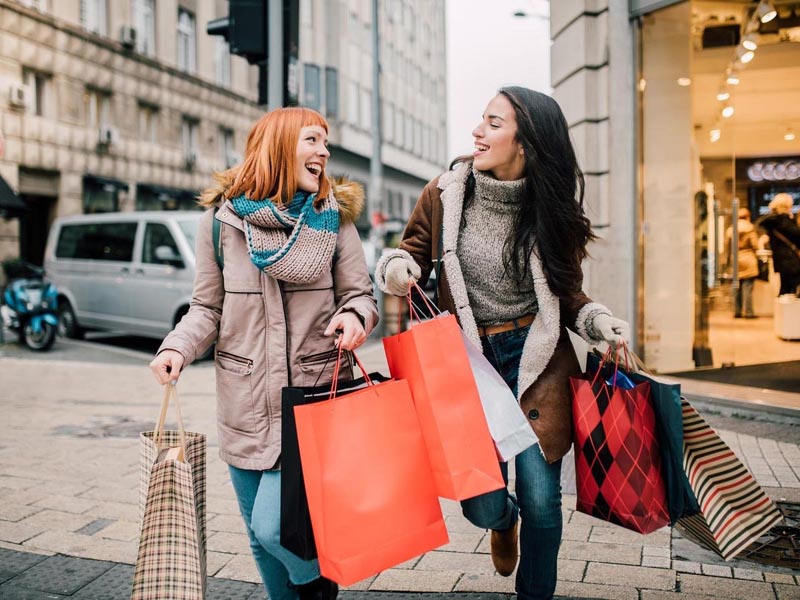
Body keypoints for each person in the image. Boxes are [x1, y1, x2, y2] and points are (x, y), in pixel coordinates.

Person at [374, 86, 630, 600]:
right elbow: (409, 253)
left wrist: (601, 323)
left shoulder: (551, 209)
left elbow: (568, 293)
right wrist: (399, 268)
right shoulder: (445, 193)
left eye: (493, 123)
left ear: (526, 142)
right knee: (479, 498)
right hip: (466, 361)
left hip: (537, 361)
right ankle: (500, 520)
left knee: (541, 498)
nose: (477, 131)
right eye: (482, 120)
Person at [149, 107, 378, 600]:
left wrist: (355, 318)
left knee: (276, 529)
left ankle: (319, 583)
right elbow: (206, 307)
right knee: (258, 536)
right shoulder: (220, 223)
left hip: (313, 401)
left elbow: (360, 295)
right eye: (313, 140)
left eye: (325, 143)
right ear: (279, 146)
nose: (325, 152)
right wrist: (177, 349)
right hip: (244, 402)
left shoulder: (334, 219)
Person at [758, 193, 800, 296]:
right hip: (790, 259)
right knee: (791, 287)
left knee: (785, 287)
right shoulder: (783, 222)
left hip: (781, 259)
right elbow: (797, 236)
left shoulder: (772, 221)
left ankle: (785, 311)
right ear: (786, 206)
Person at [724, 207, 760, 318]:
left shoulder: (731, 229)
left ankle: (737, 311)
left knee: (735, 287)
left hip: (735, 259)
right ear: (748, 216)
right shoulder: (750, 228)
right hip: (748, 257)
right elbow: (755, 245)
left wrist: (727, 260)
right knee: (747, 287)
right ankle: (749, 312)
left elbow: (727, 247)